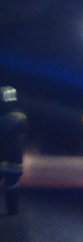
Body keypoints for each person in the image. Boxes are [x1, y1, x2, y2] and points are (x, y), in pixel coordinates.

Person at [0, 86, 28, 216]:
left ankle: (12, 210)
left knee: (11, 186)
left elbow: (5, 125)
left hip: (11, 159)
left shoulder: (17, 114)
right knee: (11, 186)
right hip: (10, 158)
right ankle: (12, 210)